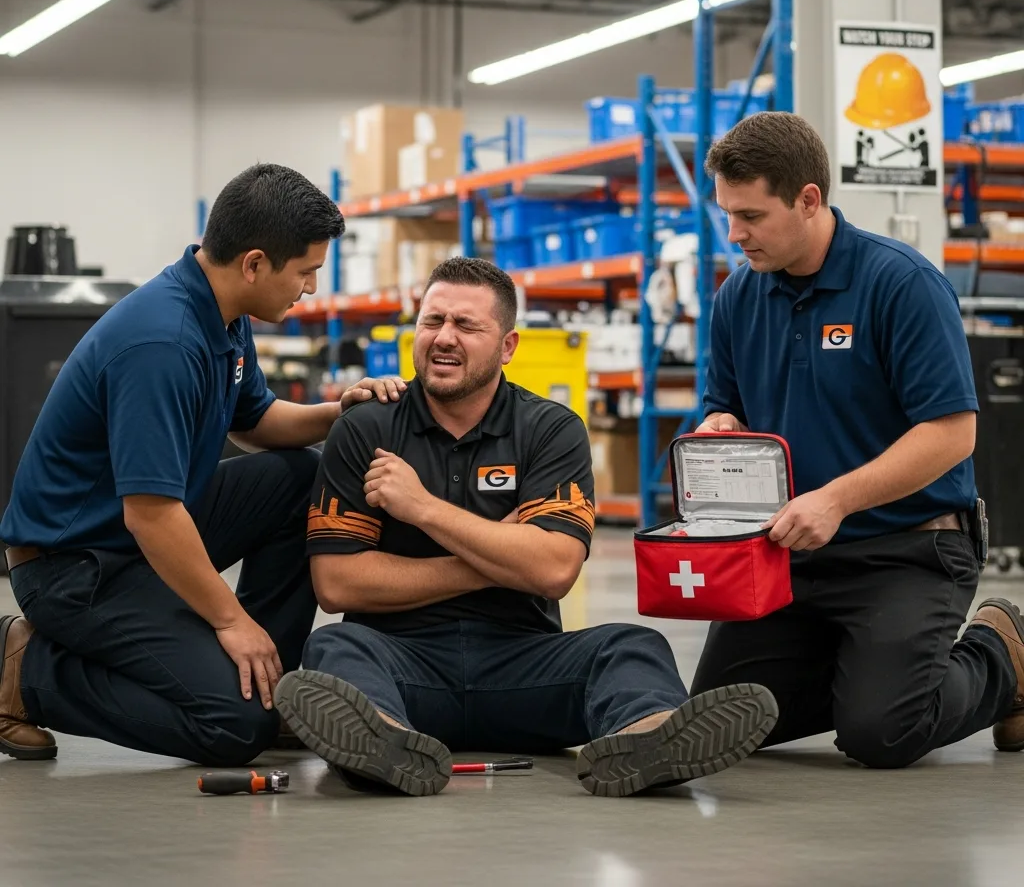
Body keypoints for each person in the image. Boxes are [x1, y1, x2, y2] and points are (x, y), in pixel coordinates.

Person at [273, 257, 779, 798]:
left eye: (466, 325)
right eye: (432, 320)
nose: (444, 338)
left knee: (632, 645)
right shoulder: (365, 426)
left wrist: (423, 509)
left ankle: (648, 740)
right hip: (399, 664)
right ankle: (386, 744)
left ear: (508, 346)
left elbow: (554, 570)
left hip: (524, 666)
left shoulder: (550, 430)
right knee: (336, 647)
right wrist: (502, 555)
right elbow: (338, 584)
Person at [0, 162, 404, 766]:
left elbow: (255, 421)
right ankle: (25, 671)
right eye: (306, 271)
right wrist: (231, 619)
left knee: (301, 477)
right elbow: (150, 516)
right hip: (75, 565)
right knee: (233, 726)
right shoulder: (162, 344)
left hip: (135, 532)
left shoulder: (223, 312)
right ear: (254, 263)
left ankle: (270, 683)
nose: (311, 288)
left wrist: (338, 412)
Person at [689, 111, 1023, 768]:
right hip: (790, 555)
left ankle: (1003, 653)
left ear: (808, 199)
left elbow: (953, 434)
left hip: (907, 548)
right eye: (726, 214)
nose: (734, 234)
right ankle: (868, 674)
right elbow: (723, 404)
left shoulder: (901, 284)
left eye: (751, 216)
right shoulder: (737, 300)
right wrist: (718, 426)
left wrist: (837, 500)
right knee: (720, 719)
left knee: (882, 732)